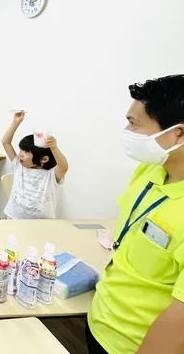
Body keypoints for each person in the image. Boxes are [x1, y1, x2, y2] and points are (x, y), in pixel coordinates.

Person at [87, 75, 184, 354]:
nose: (126, 130)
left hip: (132, 344)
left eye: (134, 123)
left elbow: (178, 325)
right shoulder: (151, 170)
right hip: (101, 319)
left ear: (178, 133)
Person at [0, 111, 68, 219]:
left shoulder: (50, 175)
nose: (21, 154)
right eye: (21, 150)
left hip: (41, 225)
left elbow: (64, 167)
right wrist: (15, 122)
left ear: (44, 159)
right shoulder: (19, 165)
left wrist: (54, 148)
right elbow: (5, 142)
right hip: (13, 218)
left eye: (27, 152)